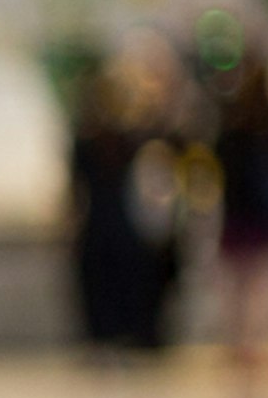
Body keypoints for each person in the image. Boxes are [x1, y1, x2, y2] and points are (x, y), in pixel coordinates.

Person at [66, 29, 185, 362]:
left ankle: (120, 338)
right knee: (113, 286)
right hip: (113, 223)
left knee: (120, 286)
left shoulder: (140, 136)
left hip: (121, 223)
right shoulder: (114, 137)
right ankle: (117, 338)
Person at [208, 22, 268, 398]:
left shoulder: (230, 123)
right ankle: (259, 352)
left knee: (236, 291)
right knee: (262, 290)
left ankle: (240, 352)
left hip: (235, 219)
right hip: (266, 220)